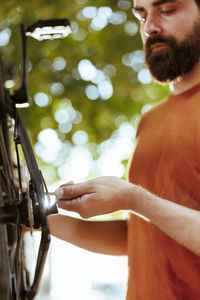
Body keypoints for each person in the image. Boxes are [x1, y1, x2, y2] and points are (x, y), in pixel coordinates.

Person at [49, 0, 200, 299]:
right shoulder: (149, 121)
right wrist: (37, 219)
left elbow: (143, 206)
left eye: (167, 10)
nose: (149, 26)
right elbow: (142, 236)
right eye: (141, 13)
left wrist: (134, 198)